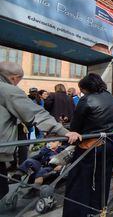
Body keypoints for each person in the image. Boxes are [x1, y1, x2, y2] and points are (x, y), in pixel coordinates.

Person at [0, 62, 80, 200]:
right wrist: (63, 131)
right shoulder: (7, 89)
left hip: (50, 153)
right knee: (1, 188)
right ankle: (21, 174)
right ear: (14, 78)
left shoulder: (52, 97)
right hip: (60, 127)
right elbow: (36, 113)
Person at [63, 73, 113, 217]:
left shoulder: (86, 100)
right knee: (102, 180)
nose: (81, 92)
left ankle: (78, 213)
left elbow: (75, 127)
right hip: (110, 145)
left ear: (87, 88)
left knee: (78, 182)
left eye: (82, 90)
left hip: (89, 146)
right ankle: (97, 210)